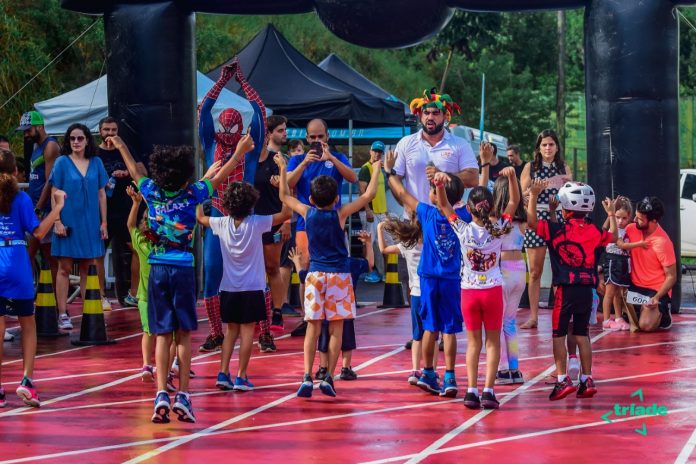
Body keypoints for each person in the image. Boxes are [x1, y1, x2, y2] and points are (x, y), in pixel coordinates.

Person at [114, 127, 255, 423]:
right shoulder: (193, 194)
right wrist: (240, 152)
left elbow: (131, 168)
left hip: (157, 267)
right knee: (184, 334)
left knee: (162, 333)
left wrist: (120, 144)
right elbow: (216, 179)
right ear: (184, 174)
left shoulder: (150, 192)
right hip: (182, 269)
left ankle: (161, 392)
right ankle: (185, 395)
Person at [280, 152, 379, 398]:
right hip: (339, 277)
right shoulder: (340, 214)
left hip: (315, 275)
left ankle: (306, 375)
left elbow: (283, 195)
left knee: (312, 327)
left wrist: (283, 168)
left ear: (311, 198)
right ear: (336, 198)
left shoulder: (307, 212)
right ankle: (329, 377)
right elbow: (368, 195)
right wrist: (377, 169)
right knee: (336, 329)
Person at [198, 58, 267, 353]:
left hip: (245, 219)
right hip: (217, 216)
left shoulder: (248, 146)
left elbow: (260, 115)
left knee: (255, 278)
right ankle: (216, 332)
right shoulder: (211, 144)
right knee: (212, 274)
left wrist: (241, 81)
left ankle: (264, 332)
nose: (226, 130)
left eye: (231, 126)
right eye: (222, 126)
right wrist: (224, 81)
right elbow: (203, 111)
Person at [438, 167, 520, 409]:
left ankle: (471, 390)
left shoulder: (462, 229)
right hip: (493, 290)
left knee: (473, 343)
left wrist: (439, 184)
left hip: (469, 292)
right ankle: (488, 391)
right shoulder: (500, 229)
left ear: (470, 209)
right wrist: (512, 177)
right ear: (492, 206)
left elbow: (444, 207)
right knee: (493, 343)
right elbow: (514, 200)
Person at [527, 179, 617, 401]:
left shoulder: (557, 229)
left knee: (558, 334)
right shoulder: (595, 230)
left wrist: (534, 196)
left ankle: (561, 379)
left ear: (564, 205)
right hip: (587, 290)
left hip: (565, 290)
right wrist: (612, 214)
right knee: (581, 333)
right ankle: (587, 379)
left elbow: (531, 222)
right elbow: (614, 237)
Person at [198, 180, 290, 392]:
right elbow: (286, 213)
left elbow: (200, 217)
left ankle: (223, 373)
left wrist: (199, 189)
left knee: (231, 331)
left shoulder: (221, 223)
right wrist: (283, 180)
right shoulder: (257, 222)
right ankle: (241, 376)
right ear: (251, 203)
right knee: (247, 331)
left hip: (229, 287)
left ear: (227, 204)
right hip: (253, 286)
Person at [389, 169, 465, 398]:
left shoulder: (426, 212)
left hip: (429, 279)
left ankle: (429, 372)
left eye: (432, 189)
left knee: (429, 328)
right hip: (451, 278)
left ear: (435, 194)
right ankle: (450, 376)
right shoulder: (462, 217)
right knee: (450, 330)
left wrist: (389, 173)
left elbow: (402, 193)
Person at [0, 148, 66, 408]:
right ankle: (27, 380)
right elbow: (38, 233)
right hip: (16, 262)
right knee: (28, 324)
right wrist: (57, 207)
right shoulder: (22, 198)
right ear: (16, 172)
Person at [286, 119, 358, 337]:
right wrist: (304, 163)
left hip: (333, 221)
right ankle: (307, 316)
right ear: (307, 138)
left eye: (320, 137)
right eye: (313, 137)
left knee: (332, 265)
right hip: (305, 222)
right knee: (305, 269)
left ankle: (331, 313)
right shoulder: (298, 158)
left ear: (327, 136)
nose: (317, 141)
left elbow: (353, 178)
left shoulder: (337, 157)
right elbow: (288, 183)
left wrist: (332, 158)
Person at [50, 123, 109, 330]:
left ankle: (88, 312)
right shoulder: (61, 163)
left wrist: (104, 222)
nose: (76, 142)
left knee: (87, 268)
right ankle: (62, 313)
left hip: (90, 222)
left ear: (87, 140)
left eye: (80, 138)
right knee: (64, 268)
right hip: (67, 222)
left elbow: (102, 194)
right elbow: (54, 193)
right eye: (72, 138)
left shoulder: (97, 162)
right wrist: (57, 221)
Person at [519, 129, 573, 329]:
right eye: (544, 145)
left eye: (551, 144)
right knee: (535, 271)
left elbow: (570, 197)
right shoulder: (530, 167)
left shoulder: (563, 167)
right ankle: (533, 316)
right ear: (538, 148)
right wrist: (533, 193)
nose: (548, 148)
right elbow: (521, 197)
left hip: (558, 216)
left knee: (562, 268)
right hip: (536, 217)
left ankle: (563, 312)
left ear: (557, 147)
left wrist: (569, 185)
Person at [378, 216, 438, 385]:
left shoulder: (406, 245)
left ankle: (415, 369)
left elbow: (383, 249)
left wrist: (379, 229)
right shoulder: (431, 245)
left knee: (417, 335)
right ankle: (432, 370)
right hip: (432, 293)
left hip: (417, 294)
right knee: (433, 334)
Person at [483, 161, 528, 385]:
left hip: (500, 270)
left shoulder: (493, 221)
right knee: (509, 323)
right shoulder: (522, 221)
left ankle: (501, 369)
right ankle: (515, 368)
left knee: (497, 323)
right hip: (519, 270)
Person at [96, 117, 148, 309]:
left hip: (127, 209)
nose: (110, 133)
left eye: (113, 129)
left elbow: (142, 173)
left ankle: (134, 293)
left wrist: (127, 171)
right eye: (106, 130)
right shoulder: (95, 153)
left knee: (136, 249)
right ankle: (100, 295)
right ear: (100, 131)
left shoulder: (126, 148)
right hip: (104, 211)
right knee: (98, 253)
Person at [254, 115, 292, 331]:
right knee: (254, 270)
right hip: (251, 223)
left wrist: (287, 222)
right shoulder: (247, 161)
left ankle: (277, 310)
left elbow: (289, 193)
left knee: (272, 267)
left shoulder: (277, 160)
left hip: (274, 221)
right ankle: (259, 311)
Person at [17, 111, 60, 292]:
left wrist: (39, 208)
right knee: (29, 253)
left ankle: (55, 302)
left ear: (40, 126)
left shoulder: (50, 146)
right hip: (34, 206)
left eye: (28, 130)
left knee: (48, 255)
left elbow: (50, 181)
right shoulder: (36, 146)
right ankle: (25, 292)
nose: (26, 134)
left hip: (44, 209)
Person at [624, 196, 677, 332]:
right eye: (636, 216)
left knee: (645, 325)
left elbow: (671, 276)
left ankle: (663, 313)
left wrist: (656, 297)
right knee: (601, 282)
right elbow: (610, 236)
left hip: (655, 290)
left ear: (654, 220)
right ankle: (636, 309)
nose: (635, 220)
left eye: (640, 219)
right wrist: (611, 213)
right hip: (635, 286)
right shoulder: (631, 229)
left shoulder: (663, 242)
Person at [601, 196, 634, 331]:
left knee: (618, 293)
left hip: (623, 261)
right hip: (612, 260)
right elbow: (620, 244)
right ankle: (606, 320)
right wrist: (611, 213)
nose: (620, 221)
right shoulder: (613, 227)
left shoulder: (628, 229)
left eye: (624, 218)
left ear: (629, 217)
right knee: (609, 292)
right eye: (618, 217)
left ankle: (619, 317)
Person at [359, 141, 388, 283]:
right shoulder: (366, 169)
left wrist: (386, 212)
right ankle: (371, 271)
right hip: (370, 212)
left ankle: (382, 272)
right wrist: (367, 209)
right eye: (375, 151)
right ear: (370, 151)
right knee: (370, 242)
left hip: (381, 212)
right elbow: (362, 190)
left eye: (380, 152)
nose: (377, 154)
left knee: (383, 243)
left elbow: (382, 192)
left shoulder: (380, 170)